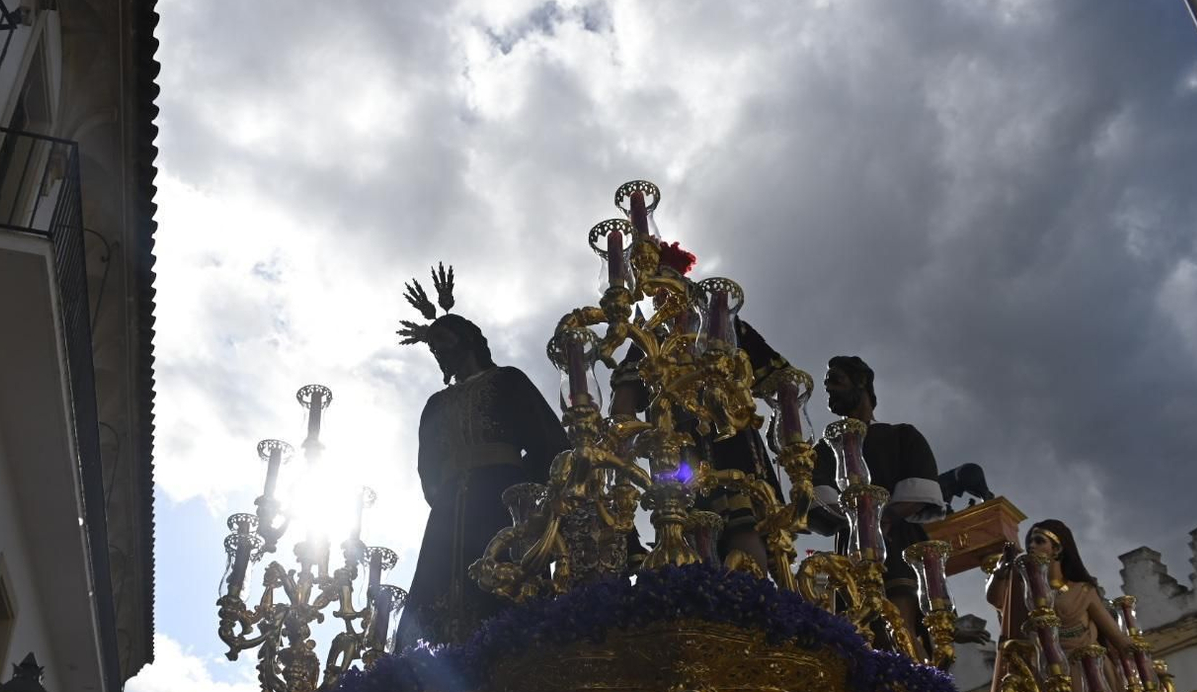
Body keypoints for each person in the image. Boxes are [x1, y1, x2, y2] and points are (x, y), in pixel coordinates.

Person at [394, 264, 569, 651]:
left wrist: (531, 497)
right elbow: (427, 469)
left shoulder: (507, 380)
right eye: (433, 347)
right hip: (448, 509)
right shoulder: (435, 405)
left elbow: (548, 440)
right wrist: (446, 497)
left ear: (467, 339)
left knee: (505, 584)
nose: (439, 352)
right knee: (436, 595)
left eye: (444, 342)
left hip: (504, 497)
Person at [610, 314, 789, 570]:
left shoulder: (723, 322)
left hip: (731, 441)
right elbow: (622, 410)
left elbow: (782, 382)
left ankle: (751, 599)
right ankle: (703, 597)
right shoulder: (651, 335)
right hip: (675, 450)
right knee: (685, 531)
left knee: (743, 522)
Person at [806, 356, 943, 646]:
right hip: (850, 552)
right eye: (827, 384)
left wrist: (881, 519)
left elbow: (919, 494)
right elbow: (819, 502)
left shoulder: (900, 436)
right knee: (859, 634)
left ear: (862, 381)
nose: (829, 389)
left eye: (836, 380)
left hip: (897, 543)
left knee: (900, 631)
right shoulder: (825, 450)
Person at [986, 519, 1134, 692]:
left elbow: (1116, 637)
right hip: (1050, 673)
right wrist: (1001, 570)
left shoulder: (1083, 590)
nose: (1031, 546)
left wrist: (1144, 663)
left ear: (1058, 549)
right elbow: (997, 599)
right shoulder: (1030, 594)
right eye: (1029, 542)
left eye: (1039, 540)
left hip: (1090, 673)